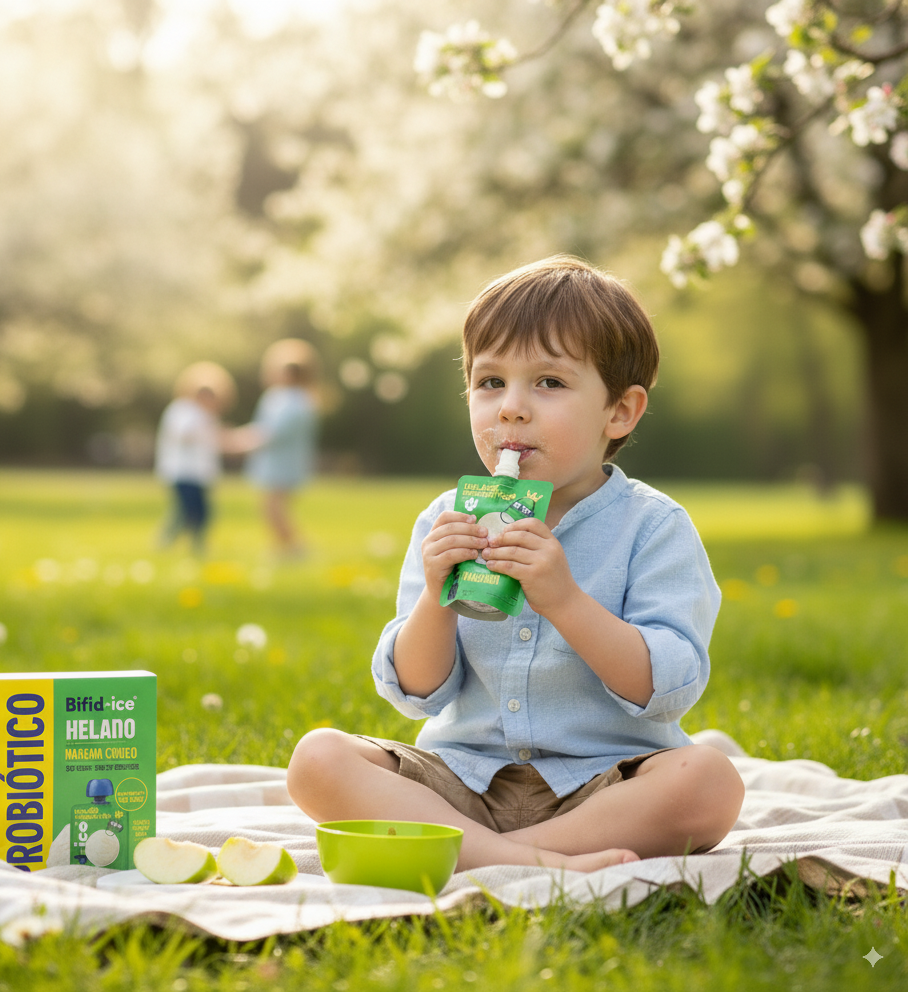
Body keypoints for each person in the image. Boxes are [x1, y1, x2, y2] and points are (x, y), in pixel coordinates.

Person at [286, 255, 745, 873]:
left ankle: (485, 858)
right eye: (490, 382)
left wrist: (565, 600)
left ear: (620, 412)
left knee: (710, 781)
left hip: (601, 786)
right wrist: (435, 599)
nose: (511, 408)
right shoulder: (447, 519)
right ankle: (522, 859)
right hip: (462, 782)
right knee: (317, 760)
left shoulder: (653, 527)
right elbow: (417, 693)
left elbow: (666, 687)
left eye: (549, 383)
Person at [227, 339, 320, 556]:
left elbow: (272, 433)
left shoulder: (299, 401)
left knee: (274, 508)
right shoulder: (276, 397)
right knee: (270, 508)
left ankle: (296, 549)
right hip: (271, 462)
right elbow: (263, 428)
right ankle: (282, 548)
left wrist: (240, 442)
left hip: (284, 464)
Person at [154, 361, 236, 554]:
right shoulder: (181, 410)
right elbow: (184, 434)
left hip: (200, 473)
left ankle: (175, 543)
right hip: (182, 472)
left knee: (190, 512)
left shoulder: (208, 416)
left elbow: (216, 442)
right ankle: (188, 545)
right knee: (192, 511)